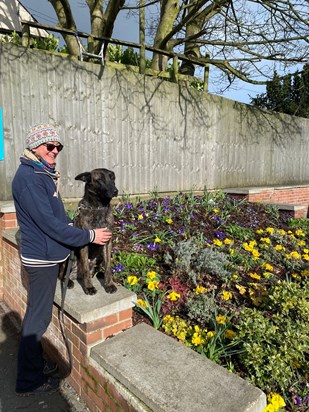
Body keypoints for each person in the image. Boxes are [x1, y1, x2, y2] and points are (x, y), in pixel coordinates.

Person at [12, 123, 112, 396]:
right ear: (34, 147)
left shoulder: (40, 173)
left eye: (58, 146)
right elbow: (49, 226)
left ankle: (31, 369)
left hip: (45, 255)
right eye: (48, 146)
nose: (54, 150)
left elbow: (56, 219)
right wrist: (90, 235)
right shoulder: (31, 179)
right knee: (37, 320)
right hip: (42, 260)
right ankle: (28, 380)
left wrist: (72, 224)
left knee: (36, 315)